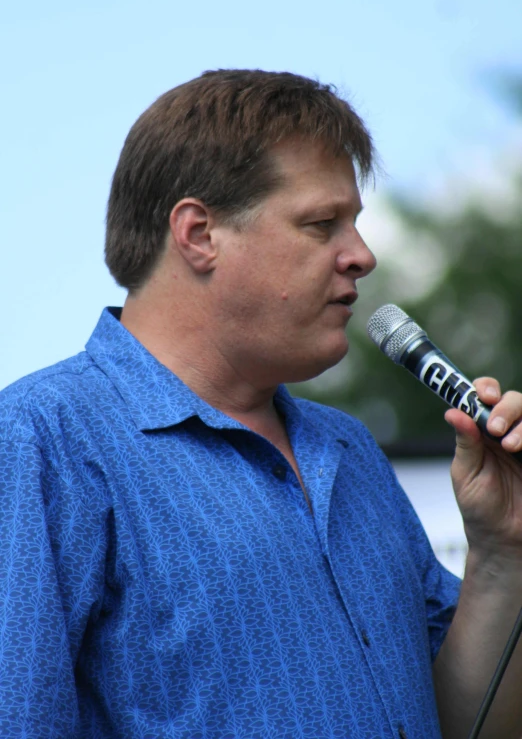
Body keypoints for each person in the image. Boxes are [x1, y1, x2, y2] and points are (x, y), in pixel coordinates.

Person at [1, 69, 522, 739]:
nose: (361, 255)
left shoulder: (349, 447)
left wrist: (503, 553)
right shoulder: (40, 441)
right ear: (198, 234)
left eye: (355, 223)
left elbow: (457, 725)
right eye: (321, 223)